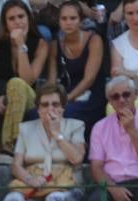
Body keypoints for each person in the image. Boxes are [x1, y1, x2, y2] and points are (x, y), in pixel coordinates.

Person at [2, 83, 85, 201]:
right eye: (45, 105)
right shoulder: (26, 129)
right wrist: (30, 179)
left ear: (63, 107)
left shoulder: (75, 126)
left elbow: (76, 158)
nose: (50, 109)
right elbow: (16, 165)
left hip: (67, 187)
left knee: (54, 199)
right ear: (38, 109)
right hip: (34, 186)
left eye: (55, 104)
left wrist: (58, 134)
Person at [0, 0, 48, 159]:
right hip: (1, 101)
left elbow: (27, 80)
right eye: (11, 18)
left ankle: (9, 146)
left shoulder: (40, 43)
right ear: (5, 23)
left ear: (29, 18)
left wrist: (21, 45)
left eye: (21, 16)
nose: (17, 22)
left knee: (16, 83)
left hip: (28, 101)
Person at [47, 0, 105, 139]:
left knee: (66, 113)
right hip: (65, 93)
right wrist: (51, 102)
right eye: (64, 18)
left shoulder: (94, 39)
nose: (68, 22)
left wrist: (66, 100)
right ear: (59, 21)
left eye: (73, 18)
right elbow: (51, 81)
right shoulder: (56, 45)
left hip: (91, 95)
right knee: (36, 114)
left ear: (81, 20)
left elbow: (89, 79)